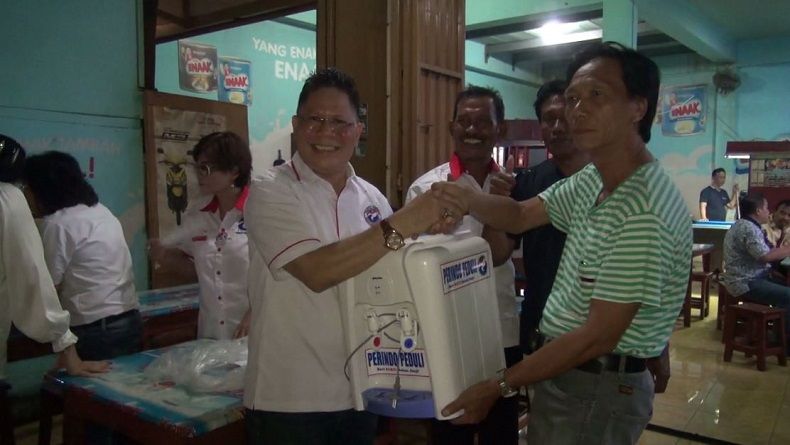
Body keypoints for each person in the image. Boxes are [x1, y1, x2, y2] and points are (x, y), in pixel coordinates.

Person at [431, 42, 691, 444]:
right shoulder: (596, 180)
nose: (577, 110)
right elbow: (520, 215)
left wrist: (498, 385)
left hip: (596, 387)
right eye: (573, 98)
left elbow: (597, 335)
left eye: (596, 95)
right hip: (569, 378)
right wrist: (464, 197)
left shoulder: (643, 207)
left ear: (637, 108)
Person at [243, 67, 446, 445]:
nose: (326, 133)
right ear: (295, 124)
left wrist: (427, 231)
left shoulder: (372, 199)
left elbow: (390, 283)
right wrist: (403, 223)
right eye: (315, 120)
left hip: (361, 393)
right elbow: (317, 271)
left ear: (358, 130)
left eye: (340, 123)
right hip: (288, 400)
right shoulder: (270, 191)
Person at [405, 85, 520, 445]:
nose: (472, 130)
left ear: (500, 130)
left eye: (483, 122)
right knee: (450, 431)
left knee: (500, 433)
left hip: (501, 332)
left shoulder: (513, 187)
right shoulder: (427, 189)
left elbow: (498, 254)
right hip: (447, 334)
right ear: (452, 127)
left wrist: (493, 202)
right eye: (464, 121)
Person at [1, 135, 109, 427]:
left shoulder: (55, 223)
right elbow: (37, 281)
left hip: (93, 323)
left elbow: (44, 280)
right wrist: (67, 351)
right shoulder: (100, 212)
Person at [488, 79, 589, 355]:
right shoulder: (528, 182)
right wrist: (499, 200)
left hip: (596, 330)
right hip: (541, 326)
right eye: (548, 119)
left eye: (564, 118)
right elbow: (497, 253)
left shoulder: (610, 179)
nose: (557, 127)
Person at [23, 151, 142, 361]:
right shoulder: (100, 211)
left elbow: (48, 286)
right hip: (128, 318)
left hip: (95, 329)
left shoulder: (58, 224)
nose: (25, 195)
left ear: (42, 189)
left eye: (26, 188)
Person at [149, 131, 253, 339]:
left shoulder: (259, 210)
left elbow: (280, 275)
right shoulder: (198, 212)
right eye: (197, 167)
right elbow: (197, 270)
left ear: (233, 171)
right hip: (212, 332)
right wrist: (165, 257)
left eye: (206, 168)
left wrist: (254, 314)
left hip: (253, 329)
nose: (199, 175)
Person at [720, 193, 790, 349]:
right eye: (766, 207)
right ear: (758, 211)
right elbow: (764, 256)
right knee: (788, 296)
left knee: (785, 286)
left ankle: (777, 335)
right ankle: (783, 344)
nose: (768, 211)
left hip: (750, 277)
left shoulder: (746, 225)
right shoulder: (748, 228)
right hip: (745, 282)